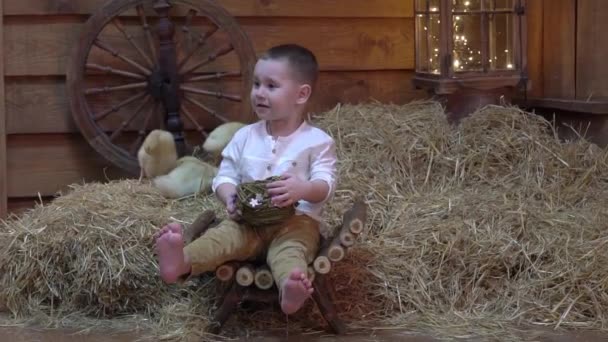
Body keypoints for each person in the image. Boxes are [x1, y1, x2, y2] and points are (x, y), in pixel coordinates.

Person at [154, 44, 337, 315]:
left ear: (301, 94)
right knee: (221, 239)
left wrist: (303, 188)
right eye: (256, 84)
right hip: (247, 220)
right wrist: (229, 196)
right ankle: (180, 262)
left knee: (291, 252)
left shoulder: (317, 141)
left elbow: (326, 184)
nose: (259, 93)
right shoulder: (244, 137)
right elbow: (224, 176)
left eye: (271, 86)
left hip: (294, 223)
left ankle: (290, 287)